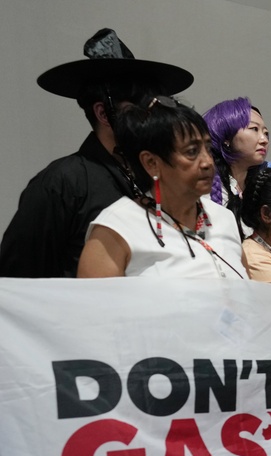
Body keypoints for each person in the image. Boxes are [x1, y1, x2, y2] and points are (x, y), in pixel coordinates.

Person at [0, 28, 193, 278]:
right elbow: (15, 281)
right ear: (103, 114)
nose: (153, 118)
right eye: (140, 108)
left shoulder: (158, 173)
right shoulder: (63, 183)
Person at [76, 96, 244, 280]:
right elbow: (93, 307)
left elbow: (249, 296)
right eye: (191, 152)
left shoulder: (224, 219)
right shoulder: (117, 228)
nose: (207, 162)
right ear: (151, 162)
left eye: (208, 148)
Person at [203, 97, 270, 232]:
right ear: (226, 137)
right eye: (254, 129)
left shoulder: (262, 192)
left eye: (266, 133)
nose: (264, 140)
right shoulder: (205, 188)